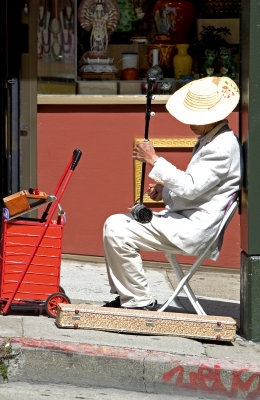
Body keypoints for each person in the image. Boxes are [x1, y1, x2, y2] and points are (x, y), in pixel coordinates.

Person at [103, 76, 242, 311]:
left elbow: (190, 188)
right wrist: (164, 191)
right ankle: (130, 296)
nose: (189, 124)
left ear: (211, 117)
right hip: (188, 220)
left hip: (194, 229)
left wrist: (154, 160)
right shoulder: (213, 139)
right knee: (115, 225)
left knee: (117, 228)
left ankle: (137, 300)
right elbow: (198, 190)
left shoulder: (221, 146)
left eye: (195, 118)